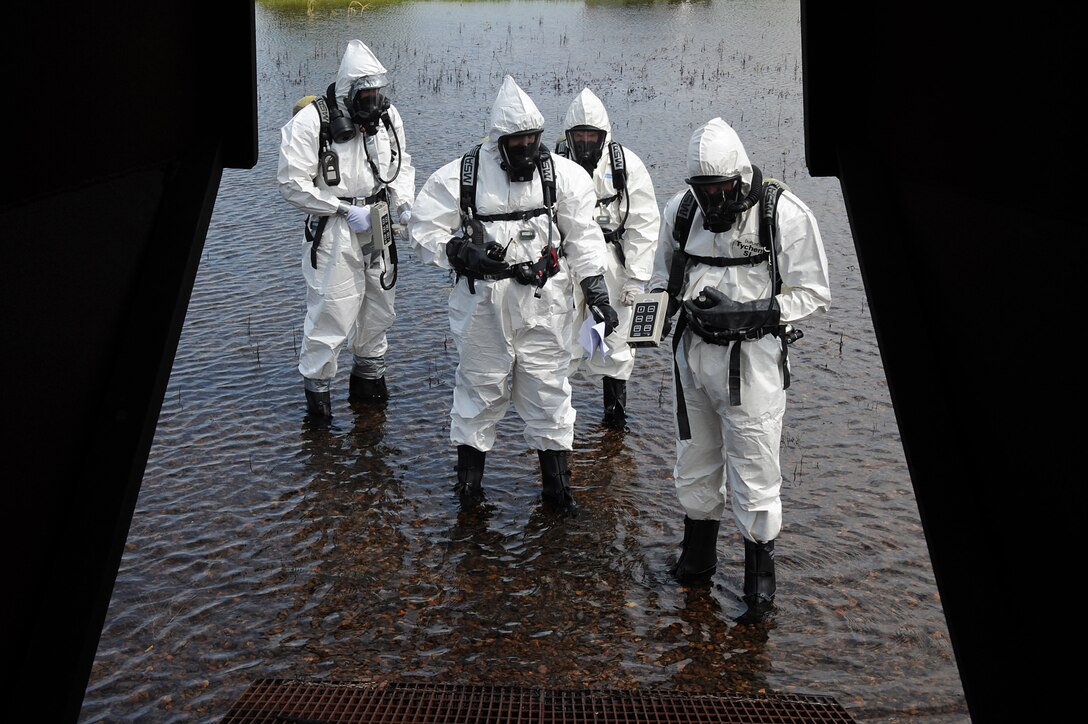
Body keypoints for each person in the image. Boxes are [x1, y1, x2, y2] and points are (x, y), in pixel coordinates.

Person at [648, 117, 831, 623]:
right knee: (696, 457)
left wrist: (752, 313)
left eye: (719, 190)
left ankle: (759, 587)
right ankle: (698, 561)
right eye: (702, 191)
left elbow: (814, 292)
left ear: (739, 180)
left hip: (751, 365)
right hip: (692, 359)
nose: (711, 202)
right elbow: (661, 279)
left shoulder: (781, 214)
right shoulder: (681, 213)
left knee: (753, 468)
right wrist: (654, 315)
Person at [408, 75, 617, 510]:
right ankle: (469, 495)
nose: (526, 149)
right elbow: (421, 228)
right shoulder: (461, 176)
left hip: (546, 304)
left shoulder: (564, 177)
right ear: (498, 140)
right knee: (477, 394)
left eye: (532, 140)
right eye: (516, 141)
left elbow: (584, 237)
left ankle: (558, 495)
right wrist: (460, 253)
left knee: (550, 394)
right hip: (483, 308)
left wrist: (597, 292)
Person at [277, 39, 415, 420]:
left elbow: (402, 165)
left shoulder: (388, 118)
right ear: (349, 93)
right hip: (335, 225)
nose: (373, 103)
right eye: (365, 96)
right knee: (332, 313)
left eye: (377, 94)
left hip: (377, 218)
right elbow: (291, 183)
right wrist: (338, 207)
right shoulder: (311, 122)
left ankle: (369, 396)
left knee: (379, 305)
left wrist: (403, 206)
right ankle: (319, 410)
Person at [555, 87, 660, 426]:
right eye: (579, 135)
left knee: (614, 341)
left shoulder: (626, 166)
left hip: (612, 264)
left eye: (592, 135)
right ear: (568, 135)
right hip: (568, 266)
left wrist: (637, 279)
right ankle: (557, 424)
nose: (586, 142)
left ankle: (614, 419)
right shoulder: (553, 165)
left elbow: (644, 223)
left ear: (604, 135)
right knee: (562, 342)